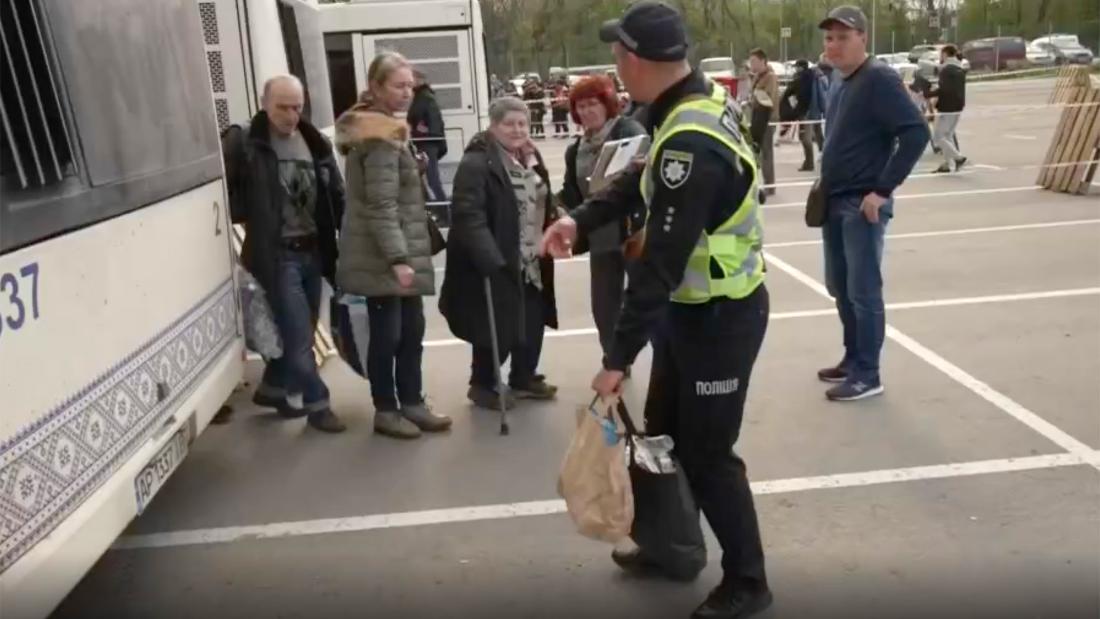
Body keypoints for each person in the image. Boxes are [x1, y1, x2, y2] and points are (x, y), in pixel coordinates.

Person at [543, 2, 772, 617]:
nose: (614, 66)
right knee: (662, 436)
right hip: (689, 312)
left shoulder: (690, 140)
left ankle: (748, 580)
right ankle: (669, 546)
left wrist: (616, 359)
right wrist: (577, 218)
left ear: (638, 60)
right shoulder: (680, 109)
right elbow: (636, 178)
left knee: (707, 454)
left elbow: (657, 266)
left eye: (619, 55)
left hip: (720, 317)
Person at [334, 52, 452, 438]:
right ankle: (387, 409)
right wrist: (398, 258)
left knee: (411, 331)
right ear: (376, 87)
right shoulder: (379, 137)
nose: (407, 93)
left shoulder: (387, 130)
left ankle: (412, 402)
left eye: (410, 87)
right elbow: (380, 205)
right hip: (386, 255)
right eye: (398, 86)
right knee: (389, 336)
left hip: (399, 248)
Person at [816, 6, 929, 401]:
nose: (833, 45)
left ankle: (868, 373)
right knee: (840, 286)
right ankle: (853, 358)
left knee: (863, 291)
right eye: (829, 38)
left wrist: (882, 190)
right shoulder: (838, 81)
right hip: (835, 199)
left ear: (863, 37)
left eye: (843, 37)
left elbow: (915, 133)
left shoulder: (879, 78)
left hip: (862, 203)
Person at [222, 75, 346, 434]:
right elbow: (222, 192)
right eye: (283, 107)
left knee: (302, 328)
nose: (291, 115)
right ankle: (318, 404)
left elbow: (336, 195)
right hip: (275, 254)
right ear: (264, 103)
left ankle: (274, 388)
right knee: (297, 334)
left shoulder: (314, 141)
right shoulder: (245, 140)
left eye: (298, 107)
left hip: (314, 250)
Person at [440, 97, 560, 410]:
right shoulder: (478, 163)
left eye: (523, 123)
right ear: (493, 126)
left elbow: (544, 196)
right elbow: (468, 215)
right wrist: (490, 259)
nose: (517, 129)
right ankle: (482, 383)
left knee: (532, 318)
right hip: (499, 258)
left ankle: (523, 375)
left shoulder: (527, 157)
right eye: (509, 123)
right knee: (496, 323)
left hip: (531, 257)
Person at [557, 75, 646, 368]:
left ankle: (669, 361)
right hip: (600, 235)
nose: (586, 111)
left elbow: (644, 178)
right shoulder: (575, 149)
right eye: (580, 106)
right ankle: (616, 362)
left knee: (649, 299)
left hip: (636, 231)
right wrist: (553, 206)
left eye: (592, 103)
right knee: (604, 308)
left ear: (607, 104)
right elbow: (572, 193)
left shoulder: (628, 130)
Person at [408, 69, 449, 203]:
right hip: (424, 142)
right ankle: (438, 207)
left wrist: (425, 131)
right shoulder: (421, 97)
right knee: (427, 180)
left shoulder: (425, 98)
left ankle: (444, 210)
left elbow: (434, 121)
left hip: (428, 143)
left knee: (432, 180)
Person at [928, 44, 967, 173]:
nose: (940, 57)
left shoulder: (946, 70)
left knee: (938, 136)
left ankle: (958, 157)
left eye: (941, 54)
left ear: (945, 54)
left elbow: (944, 89)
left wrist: (930, 93)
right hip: (958, 105)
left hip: (947, 106)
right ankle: (946, 164)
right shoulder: (959, 67)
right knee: (948, 135)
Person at [747, 48, 778, 196]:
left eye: (754, 61)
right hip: (756, 118)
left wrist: (755, 98)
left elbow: (768, 99)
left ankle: (770, 185)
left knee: (767, 152)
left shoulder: (770, 77)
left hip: (767, 119)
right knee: (757, 150)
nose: (751, 64)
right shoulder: (757, 77)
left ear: (763, 61)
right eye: (750, 61)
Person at [779, 59, 815, 171]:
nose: (795, 69)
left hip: (805, 111)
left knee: (805, 139)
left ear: (801, 67)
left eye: (797, 67)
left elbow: (792, 91)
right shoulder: (810, 77)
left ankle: (809, 163)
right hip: (809, 110)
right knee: (804, 137)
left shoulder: (802, 79)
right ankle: (809, 162)